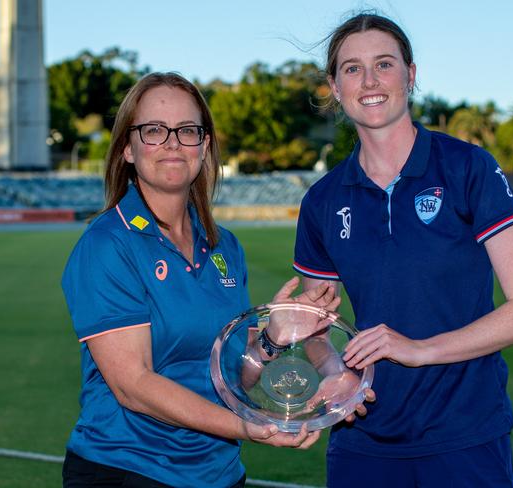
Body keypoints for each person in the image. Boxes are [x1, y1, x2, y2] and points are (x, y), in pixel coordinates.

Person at [293, 13, 513, 487]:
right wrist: (337, 373)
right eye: (352, 68)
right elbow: (316, 326)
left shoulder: (468, 167)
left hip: (464, 437)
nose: (369, 81)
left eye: (384, 64)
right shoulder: (322, 201)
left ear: (410, 75)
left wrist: (420, 350)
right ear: (334, 86)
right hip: (361, 442)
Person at [61, 72, 337, 488]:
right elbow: (133, 385)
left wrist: (270, 340)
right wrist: (245, 426)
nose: (172, 143)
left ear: (204, 147)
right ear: (127, 150)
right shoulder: (107, 244)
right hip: (129, 471)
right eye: (153, 130)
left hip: (219, 473)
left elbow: (230, 375)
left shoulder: (224, 246)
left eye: (187, 131)